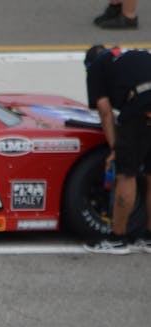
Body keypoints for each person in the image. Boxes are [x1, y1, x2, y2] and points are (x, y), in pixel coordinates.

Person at [83, 44, 151, 253]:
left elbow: (105, 110)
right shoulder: (133, 54)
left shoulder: (97, 66)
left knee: (126, 174)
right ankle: (149, 238)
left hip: (141, 108)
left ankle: (117, 238)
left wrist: (115, 148)